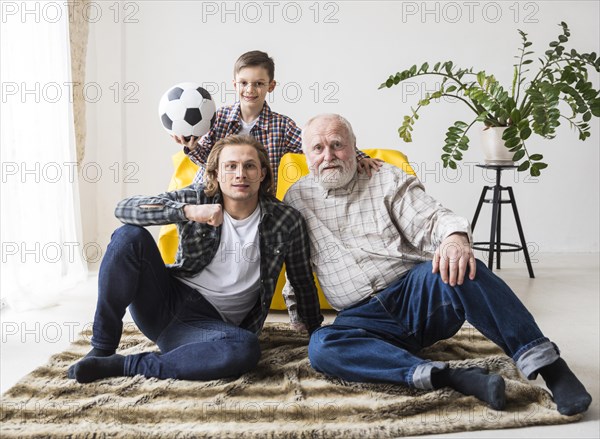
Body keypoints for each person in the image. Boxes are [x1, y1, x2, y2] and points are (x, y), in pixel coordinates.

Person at [282, 113, 592, 416]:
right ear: (306, 156)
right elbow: (296, 260)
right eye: (318, 149)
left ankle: (549, 366)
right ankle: (450, 377)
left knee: (464, 265)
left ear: (354, 147)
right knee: (322, 346)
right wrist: (298, 311)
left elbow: (432, 218)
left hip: (416, 295)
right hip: (363, 319)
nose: (329, 155)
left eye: (337, 145)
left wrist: (455, 238)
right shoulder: (297, 198)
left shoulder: (385, 178)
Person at [68, 135, 323, 383]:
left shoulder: (286, 220)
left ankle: (126, 365)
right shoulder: (198, 198)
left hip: (208, 328)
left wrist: (315, 333)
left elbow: (301, 281)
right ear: (216, 174)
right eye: (230, 166)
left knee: (245, 348)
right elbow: (125, 209)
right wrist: (189, 212)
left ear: (263, 174)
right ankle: (102, 348)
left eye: (249, 166)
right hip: (164, 302)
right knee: (128, 236)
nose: (240, 174)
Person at [173, 50, 382, 188]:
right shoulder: (219, 118)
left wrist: (359, 156)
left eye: (258, 83)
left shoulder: (281, 126)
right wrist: (191, 148)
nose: (250, 90)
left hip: (254, 198)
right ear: (235, 84)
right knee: (172, 204)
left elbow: (316, 145)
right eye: (244, 82)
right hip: (212, 192)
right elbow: (207, 162)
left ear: (270, 86)